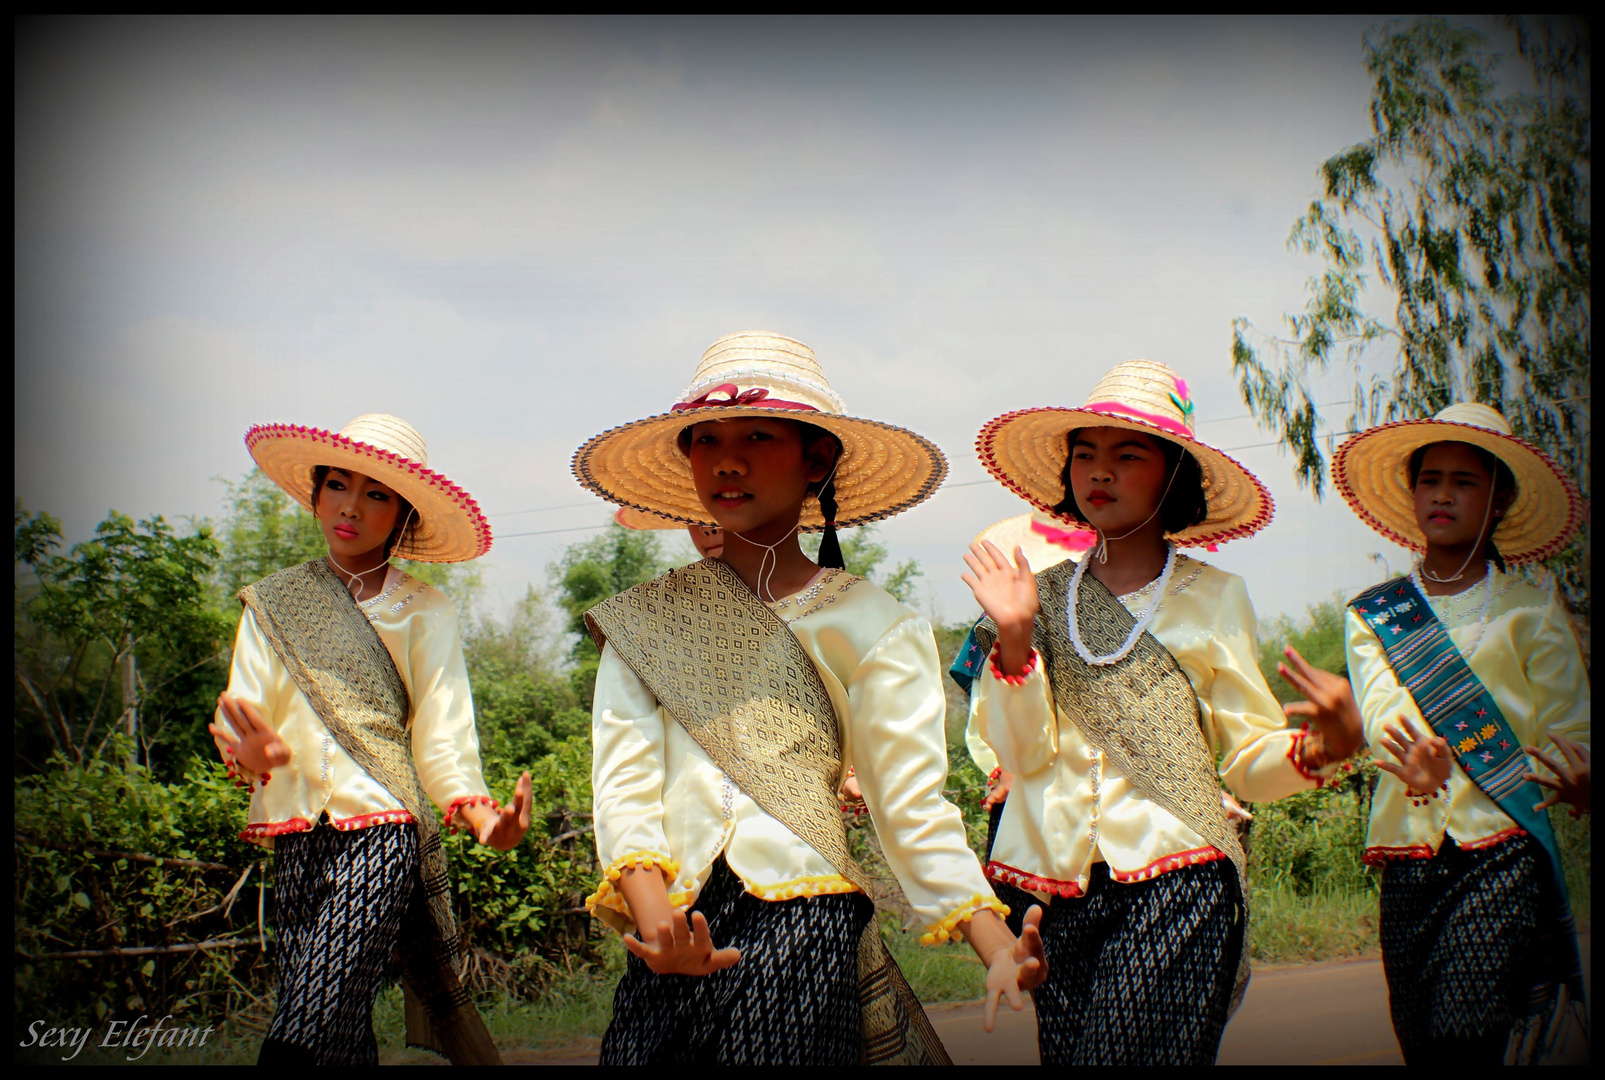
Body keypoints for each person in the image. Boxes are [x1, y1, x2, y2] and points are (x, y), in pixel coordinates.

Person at [572, 331, 1046, 1065]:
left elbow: (909, 807)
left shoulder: (874, 625)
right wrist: (654, 921)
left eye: (757, 436)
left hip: (805, 918)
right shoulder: (647, 621)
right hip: (672, 919)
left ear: (816, 460)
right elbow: (624, 780)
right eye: (706, 440)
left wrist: (992, 941)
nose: (726, 460)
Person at [962, 359, 1363, 1065]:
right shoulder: (1036, 598)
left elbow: (1244, 763)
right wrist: (1017, 639)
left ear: (1172, 474)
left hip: (1176, 883)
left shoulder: (1213, 598)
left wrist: (1321, 747)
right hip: (1054, 897)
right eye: (1083, 455)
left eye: (1126, 455)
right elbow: (1020, 759)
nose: (1099, 472)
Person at [208, 414, 532, 1065]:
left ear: (404, 514)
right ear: (317, 494)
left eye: (377, 493)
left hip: (383, 831)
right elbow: (242, 715)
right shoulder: (272, 604)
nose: (351, 506)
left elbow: (441, 739)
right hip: (293, 828)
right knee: (339, 1018)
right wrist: (252, 756)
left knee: (307, 1015)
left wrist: (481, 818)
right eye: (337, 486)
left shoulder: (424, 610)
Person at [1329, 402, 1589, 1064]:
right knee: (1424, 1043)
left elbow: (1571, 727)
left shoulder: (1529, 608)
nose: (1442, 493)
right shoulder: (1373, 614)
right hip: (1406, 856)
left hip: (1502, 850)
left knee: (1464, 1035)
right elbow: (1382, 705)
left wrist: (1580, 775)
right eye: (1429, 478)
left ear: (1498, 499)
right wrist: (1411, 756)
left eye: (1464, 481)